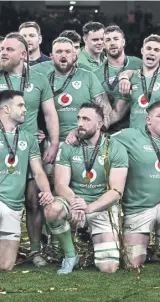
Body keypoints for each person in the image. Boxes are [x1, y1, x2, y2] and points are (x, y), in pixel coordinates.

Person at [43, 102, 128, 274]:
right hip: (74, 202)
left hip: (101, 206)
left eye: (86, 119)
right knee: (52, 209)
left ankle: (94, 243)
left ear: (99, 124)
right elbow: (60, 185)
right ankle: (70, 255)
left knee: (109, 268)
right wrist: (76, 202)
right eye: (79, 118)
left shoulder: (115, 148)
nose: (80, 123)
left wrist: (88, 207)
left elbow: (117, 191)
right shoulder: (68, 146)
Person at [0, 32, 59, 266]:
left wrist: (54, 142)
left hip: (29, 146)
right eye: (2, 48)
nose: (3, 52)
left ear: (23, 54)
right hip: (3, 147)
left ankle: (35, 250)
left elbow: (49, 113)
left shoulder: (40, 78)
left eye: (8, 49)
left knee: (34, 200)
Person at [111, 101, 160, 269]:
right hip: (138, 210)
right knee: (133, 263)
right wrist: (74, 134)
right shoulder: (129, 135)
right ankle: (150, 246)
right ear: (148, 120)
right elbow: (100, 139)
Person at [0, 90, 53, 271]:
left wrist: (46, 191)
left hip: (14, 205)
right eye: (20, 105)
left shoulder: (28, 138)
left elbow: (38, 172)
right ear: (6, 109)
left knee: (5, 266)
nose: (25, 109)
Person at [34, 37, 111, 145]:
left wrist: (82, 133)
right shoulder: (43, 79)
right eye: (59, 51)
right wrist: (33, 130)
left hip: (84, 141)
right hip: (50, 143)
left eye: (67, 51)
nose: (63, 55)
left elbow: (106, 110)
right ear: (51, 56)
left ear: (74, 55)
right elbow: (29, 108)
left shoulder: (87, 76)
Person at [94, 25, 142, 134]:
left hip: (136, 129)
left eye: (116, 39)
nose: (112, 43)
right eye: (108, 40)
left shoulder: (138, 64)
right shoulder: (96, 74)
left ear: (123, 42)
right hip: (110, 130)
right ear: (103, 45)